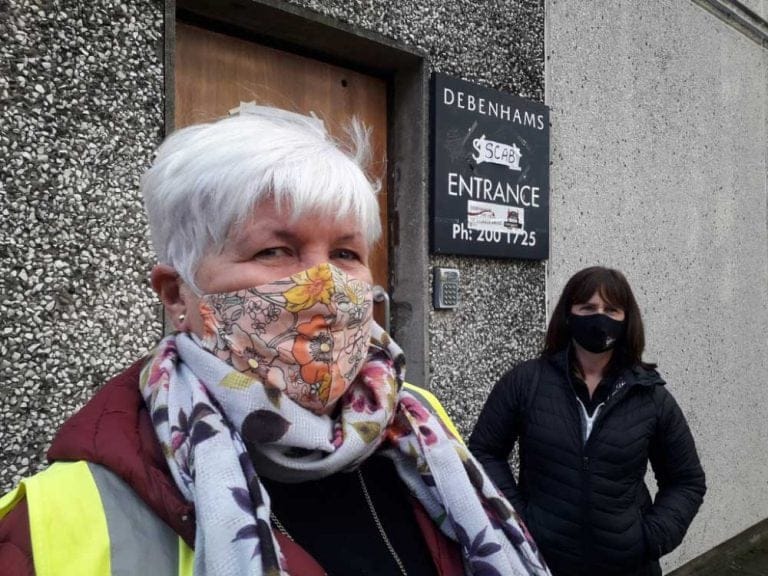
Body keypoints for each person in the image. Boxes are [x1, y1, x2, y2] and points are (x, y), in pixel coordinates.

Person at [0, 107, 551, 576]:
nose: (324, 288)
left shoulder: (416, 419)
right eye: (273, 252)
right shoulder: (48, 524)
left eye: (345, 254)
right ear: (176, 294)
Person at [468, 266, 706, 576]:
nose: (599, 317)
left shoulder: (649, 396)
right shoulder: (526, 382)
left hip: (627, 567)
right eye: (588, 308)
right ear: (569, 315)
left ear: (627, 319)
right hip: (541, 564)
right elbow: (484, 452)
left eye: (611, 309)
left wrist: (649, 538)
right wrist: (518, 518)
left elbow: (686, 481)